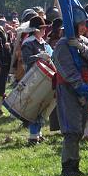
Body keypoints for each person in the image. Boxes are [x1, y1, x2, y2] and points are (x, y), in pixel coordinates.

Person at [53, 8, 88, 176]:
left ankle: (75, 165)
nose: (83, 27)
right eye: (79, 24)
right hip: (68, 89)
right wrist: (79, 86)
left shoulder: (84, 42)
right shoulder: (62, 45)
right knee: (71, 130)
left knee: (79, 129)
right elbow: (66, 69)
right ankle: (68, 167)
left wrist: (81, 47)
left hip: (85, 88)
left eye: (83, 24)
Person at [21, 15, 52, 145]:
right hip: (33, 78)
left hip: (44, 77)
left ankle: (38, 133)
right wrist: (38, 56)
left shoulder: (44, 43)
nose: (44, 31)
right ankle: (33, 137)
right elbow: (26, 59)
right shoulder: (28, 43)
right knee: (35, 106)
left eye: (45, 28)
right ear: (35, 30)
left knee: (43, 105)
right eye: (42, 28)